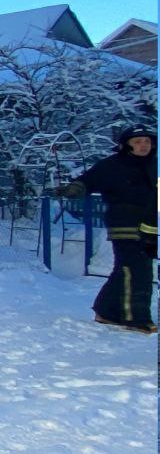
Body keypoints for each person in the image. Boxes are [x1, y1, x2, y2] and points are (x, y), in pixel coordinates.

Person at [55, 124, 158, 333]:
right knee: (137, 270)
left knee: (127, 269)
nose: (143, 145)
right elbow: (89, 180)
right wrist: (75, 188)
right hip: (124, 224)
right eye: (137, 142)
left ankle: (106, 311)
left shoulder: (153, 166)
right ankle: (135, 318)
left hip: (149, 227)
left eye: (147, 141)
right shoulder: (113, 165)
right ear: (126, 145)